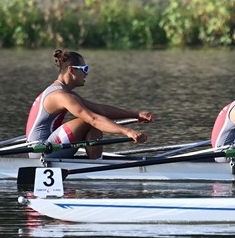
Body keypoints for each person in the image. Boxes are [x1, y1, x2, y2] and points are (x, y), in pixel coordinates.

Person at [25, 49, 154, 158]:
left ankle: (96, 163)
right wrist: (128, 131)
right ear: (71, 70)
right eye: (84, 69)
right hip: (41, 150)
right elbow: (93, 119)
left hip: (49, 145)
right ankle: (97, 167)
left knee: (93, 117)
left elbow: (100, 110)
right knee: (89, 119)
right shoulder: (60, 96)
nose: (86, 73)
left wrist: (136, 114)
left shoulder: (64, 92)